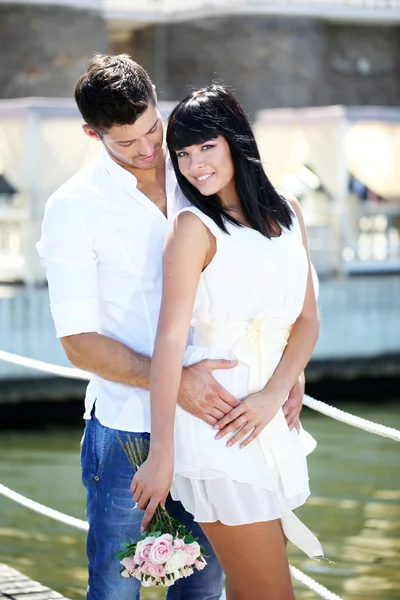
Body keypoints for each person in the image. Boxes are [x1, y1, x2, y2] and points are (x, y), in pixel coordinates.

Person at [36, 54, 305, 600]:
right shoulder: (72, 208)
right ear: (92, 133)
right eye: (125, 141)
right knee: (115, 590)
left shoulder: (198, 172)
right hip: (129, 431)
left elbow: (257, 276)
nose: (148, 149)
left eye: (152, 129)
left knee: (203, 591)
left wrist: (282, 370)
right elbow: (77, 343)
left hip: (214, 428)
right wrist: (179, 381)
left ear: (158, 102)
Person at [131, 85, 323, 600]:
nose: (194, 165)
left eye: (205, 147)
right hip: (219, 427)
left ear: (234, 141)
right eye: (183, 154)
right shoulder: (192, 227)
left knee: (250, 587)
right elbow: (169, 341)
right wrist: (162, 454)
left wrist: (274, 391)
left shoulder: (287, 212)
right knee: (271, 592)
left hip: (266, 415)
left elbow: (306, 320)